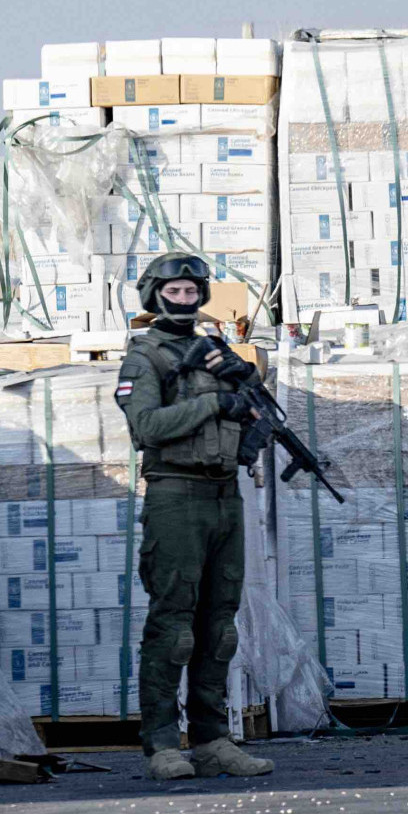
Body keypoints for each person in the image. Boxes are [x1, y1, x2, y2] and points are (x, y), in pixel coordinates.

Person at [114, 253, 275, 781]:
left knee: (220, 628)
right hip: (175, 496)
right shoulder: (145, 358)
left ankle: (212, 741)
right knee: (174, 627)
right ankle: (162, 745)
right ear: (154, 295)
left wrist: (242, 382)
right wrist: (213, 405)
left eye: (191, 292)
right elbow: (147, 426)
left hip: (224, 495)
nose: (183, 300)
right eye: (174, 292)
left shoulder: (214, 352)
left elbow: (254, 415)